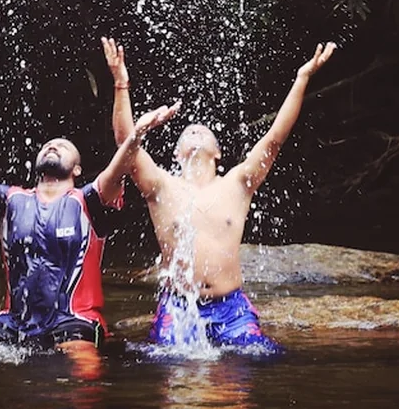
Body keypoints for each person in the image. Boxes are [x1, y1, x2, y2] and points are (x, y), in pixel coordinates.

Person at [0, 87, 180, 368]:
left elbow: (119, 168)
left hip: (74, 321)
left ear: (77, 169)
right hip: (14, 319)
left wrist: (137, 134)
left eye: (63, 147)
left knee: (85, 365)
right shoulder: (9, 199)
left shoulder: (90, 200)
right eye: (48, 145)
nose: (53, 146)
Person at [101, 36, 336, 350]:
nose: (195, 130)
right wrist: (120, 84)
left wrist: (302, 78)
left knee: (253, 360)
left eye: (203, 131)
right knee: (173, 367)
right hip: (179, 306)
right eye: (188, 132)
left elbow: (275, 137)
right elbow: (125, 143)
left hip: (231, 307)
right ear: (177, 154)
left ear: (218, 153)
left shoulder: (238, 182)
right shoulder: (160, 185)